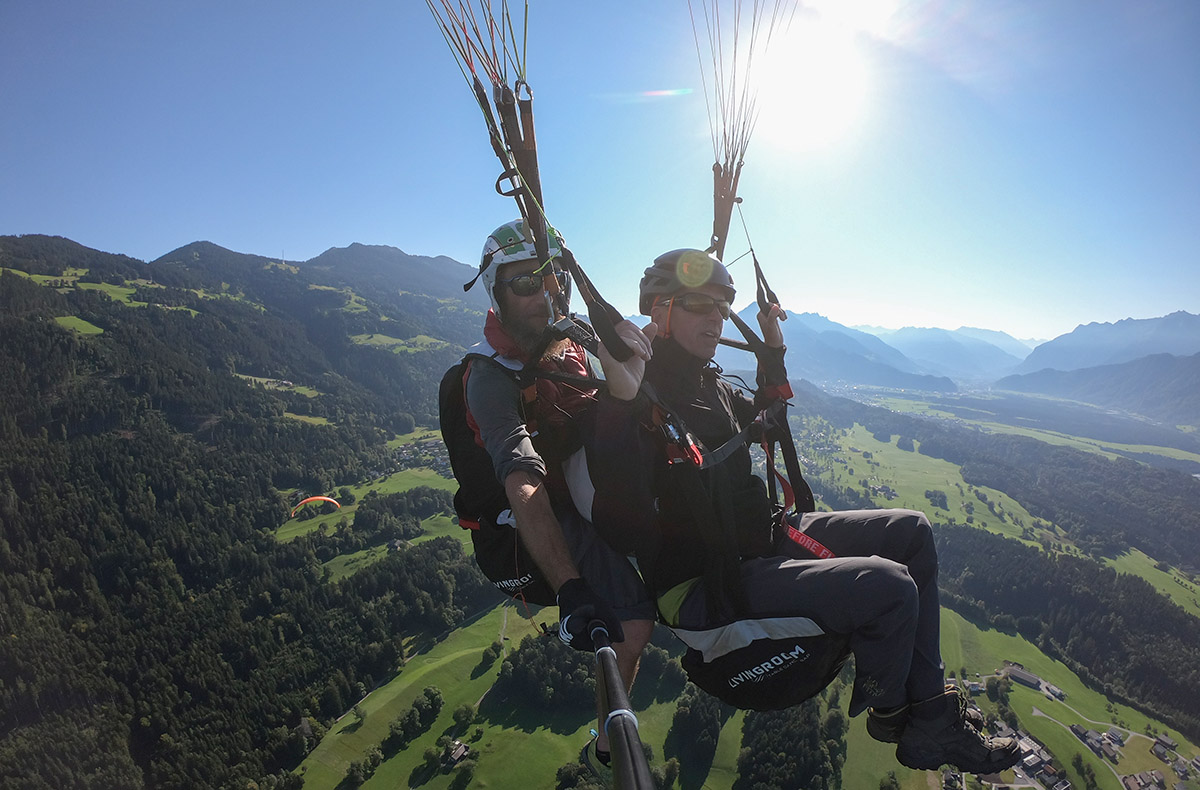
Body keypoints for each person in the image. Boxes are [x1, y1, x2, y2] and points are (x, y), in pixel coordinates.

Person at [579, 248, 1019, 775]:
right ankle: (896, 713)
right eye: (701, 306)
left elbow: (768, 413)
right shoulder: (638, 398)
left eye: (722, 306)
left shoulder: (709, 382)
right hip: (702, 587)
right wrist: (620, 401)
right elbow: (620, 525)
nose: (717, 319)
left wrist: (773, 350)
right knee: (891, 589)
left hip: (761, 541)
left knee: (912, 533)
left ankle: (927, 713)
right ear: (659, 312)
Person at [445, 219, 655, 770]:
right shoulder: (490, 377)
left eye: (551, 278)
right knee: (632, 627)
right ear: (496, 290)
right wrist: (571, 587)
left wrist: (613, 338)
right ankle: (607, 747)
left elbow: (628, 390)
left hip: (583, 482)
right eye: (523, 284)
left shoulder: (571, 338)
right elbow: (521, 476)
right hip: (540, 512)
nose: (541, 294)